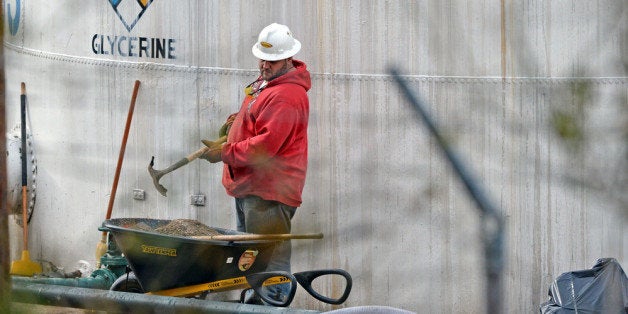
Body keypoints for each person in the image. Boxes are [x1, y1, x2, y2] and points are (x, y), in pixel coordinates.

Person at [201, 23, 311, 304]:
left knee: (269, 264)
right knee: (251, 259)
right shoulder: (269, 84)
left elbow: (265, 147)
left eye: (272, 61)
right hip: (253, 188)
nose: (264, 65)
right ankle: (256, 303)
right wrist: (236, 121)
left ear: (288, 59)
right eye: (262, 58)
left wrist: (226, 152)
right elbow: (258, 113)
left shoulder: (287, 96)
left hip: (269, 193)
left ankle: (270, 306)